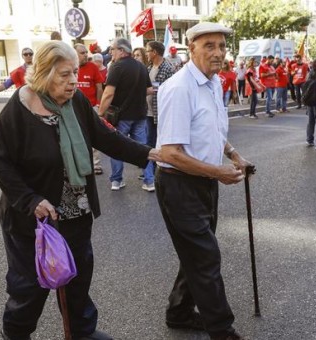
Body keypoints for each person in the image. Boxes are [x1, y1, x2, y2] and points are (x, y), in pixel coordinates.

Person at [0, 41, 160, 340]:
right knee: (29, 286)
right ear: (43, 73)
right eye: (64, 75)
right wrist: (30, 199)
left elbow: (106, 137)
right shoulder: (20, 106)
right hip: (34, 219)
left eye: (75, 73)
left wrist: (150, 154)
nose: (73, 82)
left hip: (75, 211)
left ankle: (81, 331)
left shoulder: (76, 101)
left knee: (78, 279)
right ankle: (15, 333)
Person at [156, 21, 252, 340]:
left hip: (205, 182)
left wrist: (234, 155)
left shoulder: (214, 83)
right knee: (206, 256)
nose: (218, 52)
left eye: (222, 46)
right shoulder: (179, 87)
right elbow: (170, 153)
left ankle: (179, 312)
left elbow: (211, 131)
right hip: (179, 184)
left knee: (195, 253)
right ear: (191, 48)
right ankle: (221, 330)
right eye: (209, 45)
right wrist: (218, 173)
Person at [99, 38, 153, 191]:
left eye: (113, 49)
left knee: (116, 147)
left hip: (121, 116)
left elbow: (108, 93)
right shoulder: (142, 67)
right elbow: (149, 90)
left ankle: (117, 180)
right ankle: (149, 181)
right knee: (143, 148)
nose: (110, 52)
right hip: (140, 114)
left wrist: (100, 113)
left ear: (121, 51)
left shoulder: (117, 67)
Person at [143, 41, 176, 192]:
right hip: (149, 112)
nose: (146, 53)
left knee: (159, 142)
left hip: (160, 112)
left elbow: (168, 88)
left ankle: (160, 172)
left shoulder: (167, 68)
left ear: (155, 52)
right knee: (149, 142)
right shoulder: (149, 67)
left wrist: (149, 89)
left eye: (148, 51)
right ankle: (149, 171)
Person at [74, 44, 106, 175]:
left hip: (91, 107)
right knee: (77, 136)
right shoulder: (70, 67)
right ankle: (79, 164)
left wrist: (98, 105)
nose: (86, 55)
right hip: (74, 108)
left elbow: (99, 87)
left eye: (86, 52)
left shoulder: (92, 67)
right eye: (82, 53)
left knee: (93, 134)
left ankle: (96, 164)